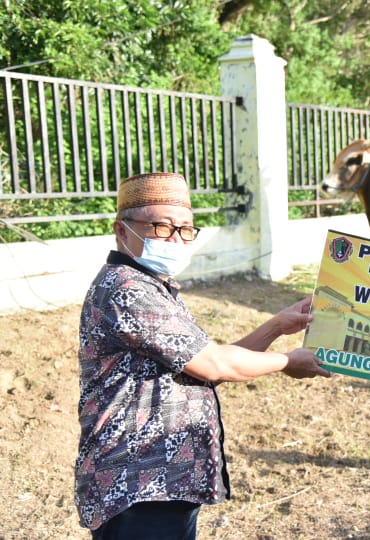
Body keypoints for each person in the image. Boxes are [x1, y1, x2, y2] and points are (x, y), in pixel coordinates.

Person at [74, 171, 332, 539]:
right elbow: (216, 364)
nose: (176, 239)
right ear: (121, 230)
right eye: (162, 227)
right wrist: (289, 361)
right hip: (138, 482)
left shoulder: (155, 287)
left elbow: (207, 363)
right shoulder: (127, 289)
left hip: (165, 480)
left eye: (185, 229)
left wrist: (277, 325)